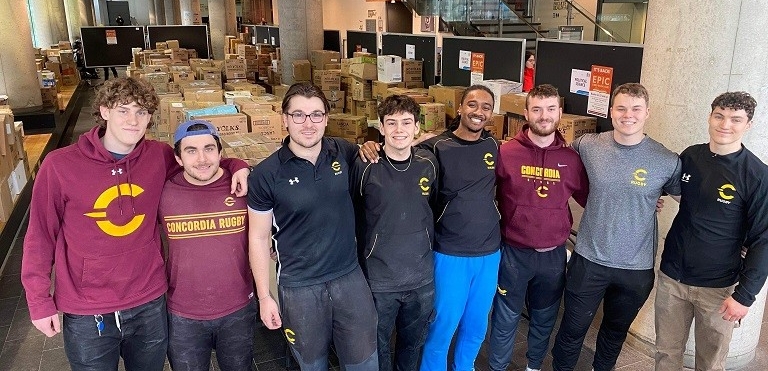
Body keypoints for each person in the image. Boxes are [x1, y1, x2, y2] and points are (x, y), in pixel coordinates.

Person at [21, 77, 249, 371]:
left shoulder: (157, 156)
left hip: (148, 301)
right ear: (104, 111)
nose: (133, 120)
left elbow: (199, 163)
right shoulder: (59, 165)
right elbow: (40, 236)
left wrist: (237, 166)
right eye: (124, 110)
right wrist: (39, 301)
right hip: (89, 311)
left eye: (142, 112)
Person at [362, 85, 502, 371]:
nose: (479, 111)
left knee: (476, 326)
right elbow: (403, 155)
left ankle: (466, 367)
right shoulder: (435, 147)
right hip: (450, 253)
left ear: (492, 113)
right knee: (442, 327)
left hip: (489, 253)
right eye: (472, 105)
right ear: (460, 108)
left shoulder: (494, 146)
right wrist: (371, 145)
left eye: (486, 107)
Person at [551, 82, 681, 371]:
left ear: (647, 112)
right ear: (611, 112)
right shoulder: (589, 145)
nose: (628, 115)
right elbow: (552, 156)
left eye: (636, 109)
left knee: (613, 334)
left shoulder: (666, 160)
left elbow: (690, 203)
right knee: (571, 332)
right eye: (621, 108)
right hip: (588, 260)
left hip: (635, 270)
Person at [248, 82, 378, 371]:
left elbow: (384, 154)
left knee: (365, 363)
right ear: (284, 119)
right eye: (299, 115)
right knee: (311, 365)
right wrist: (264, 297)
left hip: (349, 277)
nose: (308, 123)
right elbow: (257, 238)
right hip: (299, 287)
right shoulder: (267, 175)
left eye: (316, 115)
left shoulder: (342, 151)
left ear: (327, 118)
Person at [654, 92, 768, 371]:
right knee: (666, 354)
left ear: (748, 124)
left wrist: (745, 295)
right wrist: (652, 196)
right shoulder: (691, 156)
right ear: (710, 117)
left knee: (710, 363)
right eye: (719, 115)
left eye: (735, 119)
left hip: (719, 288)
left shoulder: (757, 175)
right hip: (673, 277)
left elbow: (763, 240)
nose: (725, 124)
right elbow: (675, 190)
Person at [488, 84, 589, 371]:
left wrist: (645, 200)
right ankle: (497, 367)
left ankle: (534, 366)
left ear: (559, 113)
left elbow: (594, 198)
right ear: (526, 113)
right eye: (537, 109)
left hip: (553, 257)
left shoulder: (572, 160)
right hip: (513, 254)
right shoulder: (506, 153)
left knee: (544, 320)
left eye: (550, 109)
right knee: (505, 319)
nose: (544, 116)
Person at [160, 120, 256, 371]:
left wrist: (241, 166)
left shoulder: (242, 188)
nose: (202, 159)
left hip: (238, 308)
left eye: (209, 148)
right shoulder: (163, 193)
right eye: (191, 151)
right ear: (178, 158)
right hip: (182, 313)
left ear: (221, 153)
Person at [352, 95, 438, 371]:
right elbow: (353, 211)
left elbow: (433, 206)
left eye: (406, 122)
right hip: (379, 281)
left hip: (421, 279)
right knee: (378, 347)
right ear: (381, 127)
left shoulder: (429, 164)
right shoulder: (365, 166)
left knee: (412, 345)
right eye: (391, 123)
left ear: (416, 128)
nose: (399, 129)